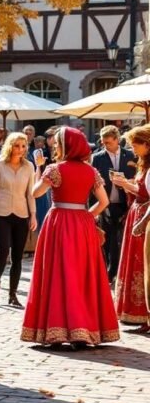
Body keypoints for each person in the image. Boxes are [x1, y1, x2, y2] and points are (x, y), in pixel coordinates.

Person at [23, 127, 119, 349]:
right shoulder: (91, 171)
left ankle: (54, 330)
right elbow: (104, 202)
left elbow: (35, 193)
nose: (55, 146)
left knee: (57, 273)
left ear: (66, 146)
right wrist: (87, 216)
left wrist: (39, 168)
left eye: (57, 143)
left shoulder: (55, 169)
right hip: (82, 224)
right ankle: (82, 331)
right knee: (82, 274)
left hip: (59, 222)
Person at [0, 132, 37, 308]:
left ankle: (13, 295)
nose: (20, 149)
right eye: (17, 145)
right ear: (10, 146)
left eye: (23, 146)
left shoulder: (29, 167)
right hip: (1, 213)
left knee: (17, 256)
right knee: (3, 251)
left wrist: (33, 215)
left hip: (22, 214)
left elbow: (31, 193)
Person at [113, 125, 150, 330]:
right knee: (135, 261)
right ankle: (138, 313)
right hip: (137, 213)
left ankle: (144, 313)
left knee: (143, 264)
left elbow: (146, 194)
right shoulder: (143, 165)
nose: (133, 149)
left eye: (136, 145)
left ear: (147, 144)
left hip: (144, 216)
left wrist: (126, 185)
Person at [91, 125, 137, 282]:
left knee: (122, 239)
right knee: (108, 239)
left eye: (109, 142)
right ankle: (109, 273)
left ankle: (120, 272)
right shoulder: (97, 158)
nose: (105, 145)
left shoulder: (131, 155)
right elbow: (92, 186)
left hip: (127, 203)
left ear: (118, 140)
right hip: (106, 204)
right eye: (103, 143)